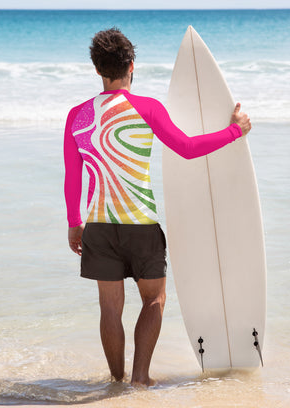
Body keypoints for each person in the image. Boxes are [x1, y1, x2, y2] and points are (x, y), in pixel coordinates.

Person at [63, 27, 251, 387]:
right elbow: (186, 147)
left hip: (98, 226)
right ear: (131, 65)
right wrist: (234, 132)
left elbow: (74, 178)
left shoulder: (77, 116)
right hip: (141, 225)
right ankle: (139, 378)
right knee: (154, 300)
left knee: (109, 308)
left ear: (97, 69)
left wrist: (75, 223)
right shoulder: (146, 107)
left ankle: (115, 380)